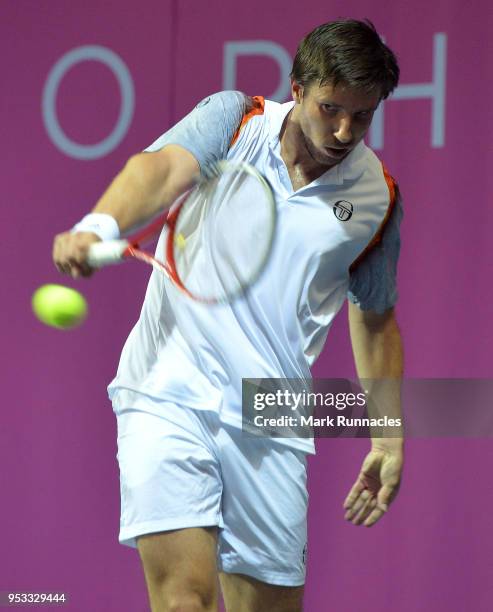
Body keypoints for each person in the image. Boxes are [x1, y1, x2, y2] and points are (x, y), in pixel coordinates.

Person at [53, 18, 404, 612]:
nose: (345, 130)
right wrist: (99, 224)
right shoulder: (235, 118)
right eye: (330, 108)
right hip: (167, 389)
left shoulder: (377, 198)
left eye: (362, 116)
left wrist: (389, 437)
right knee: (183, 600)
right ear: (297, 88)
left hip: (271, 413)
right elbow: (161, 170)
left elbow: (374, 320)